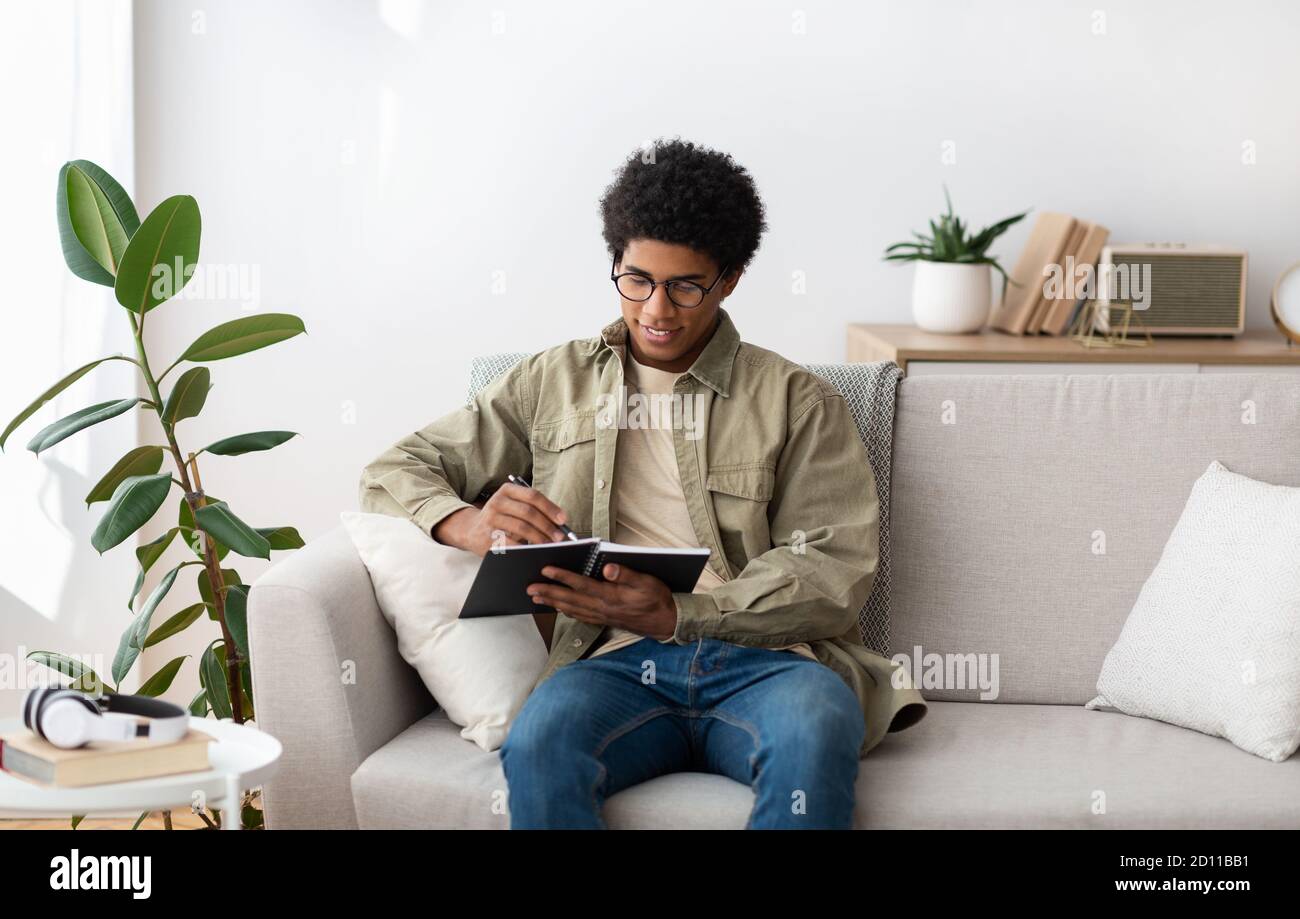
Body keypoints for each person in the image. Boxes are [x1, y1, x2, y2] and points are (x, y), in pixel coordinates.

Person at [360, 138, 925, 829]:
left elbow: (832, 570)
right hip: (609, 664)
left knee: (815, 726)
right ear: (616, 265)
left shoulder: (796, 400)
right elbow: (392, 470)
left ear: (730, 279)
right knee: (539, 743)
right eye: (636, 279)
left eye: (686, 285)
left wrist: (678, 614)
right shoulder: (552, 381)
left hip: (764, 664)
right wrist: (467, 524)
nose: (657, 309)